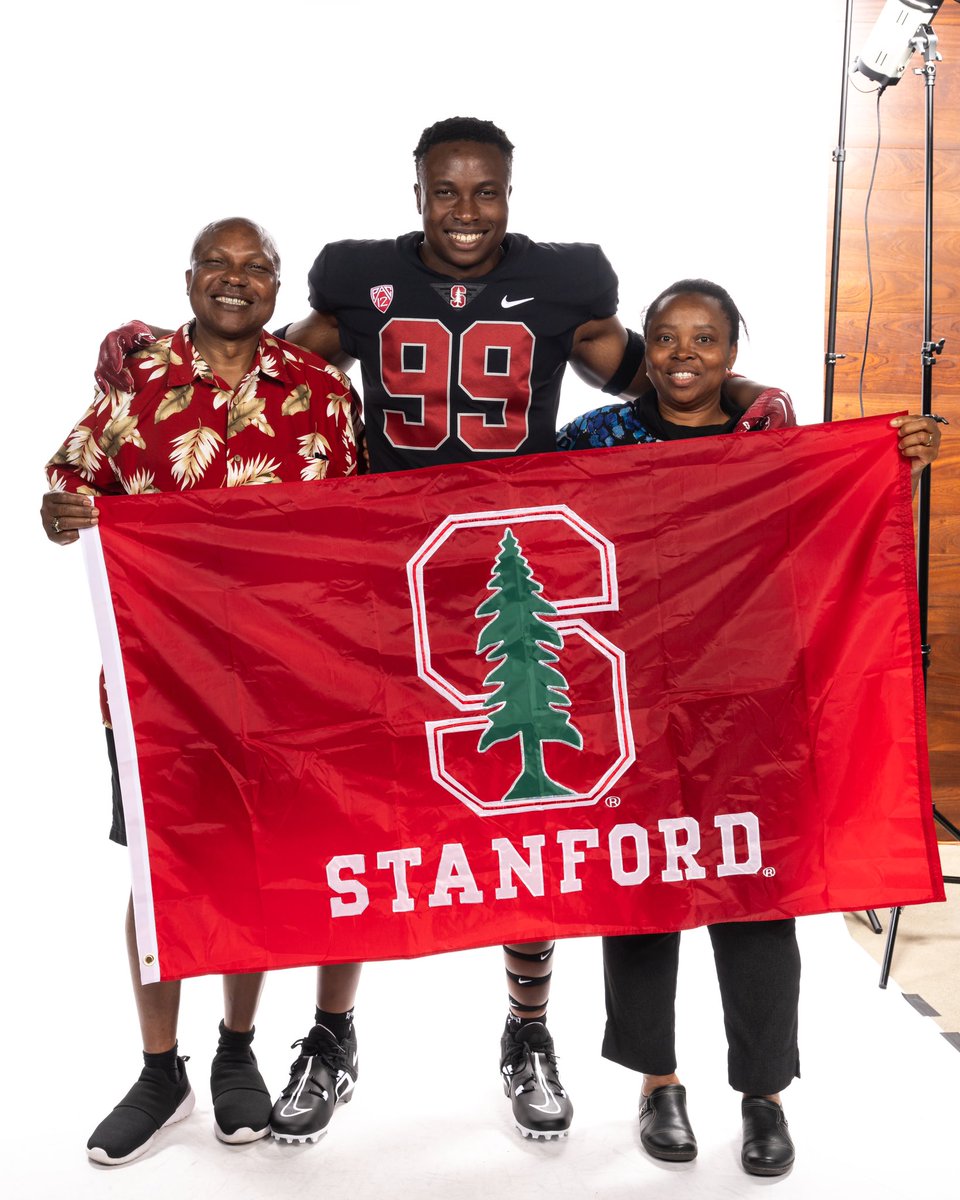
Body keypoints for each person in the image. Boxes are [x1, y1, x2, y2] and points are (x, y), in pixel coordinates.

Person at [93, 117, 772, 1145]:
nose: (466, 211)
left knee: (532, 810)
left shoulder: (568, 281)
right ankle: (332, 1035)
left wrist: (748, 392)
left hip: (511, 576)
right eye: (446, 191)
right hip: (383, 584)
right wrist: (161, 348)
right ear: (415, 192)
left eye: (486, 191)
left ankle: (526, 1029)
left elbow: (644, 373)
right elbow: (266, 361)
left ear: (511, 191)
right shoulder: (356, 277)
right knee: (355, 806)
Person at [557, 278, 943, 1177]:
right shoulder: (593, 440)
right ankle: (659, 1082)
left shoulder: (771, 434)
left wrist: (891, 461)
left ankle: (762, 1094)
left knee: (756, 898)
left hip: (747, 702)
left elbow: (825, 520)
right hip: (633, 705)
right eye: (665, 337)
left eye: (704, 338)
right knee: (644, 896)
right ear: (642, 351)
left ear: (734, 350)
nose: (683, 354)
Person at [42, 217, 359, 1165]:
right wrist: (63, 511)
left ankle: (236, 1052)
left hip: (282, 684)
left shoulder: (321, 395)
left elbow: (355, 529)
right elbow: (68, 485)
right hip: (157, 684)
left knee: (255, 866)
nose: (236, 279)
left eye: (256, 268)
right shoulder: (134, 382)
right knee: (156, 874)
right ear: (189, 279)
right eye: (218, 265)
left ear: (276, 287)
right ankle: (157, 1069)